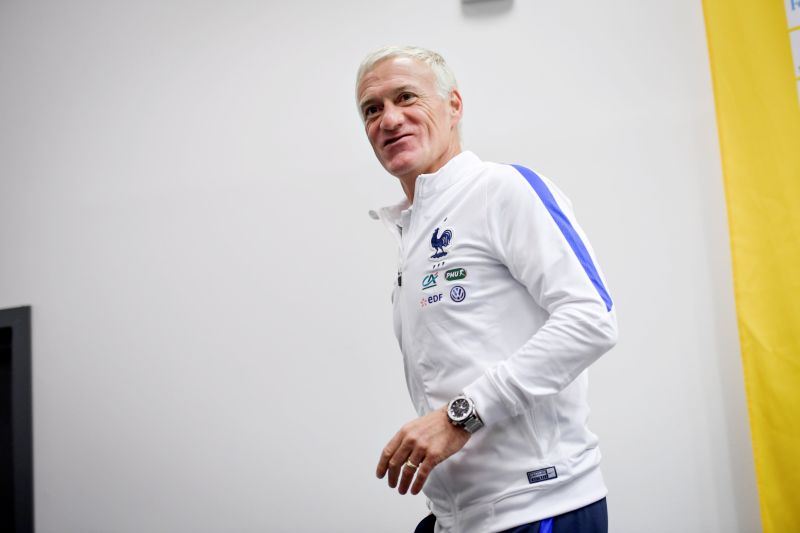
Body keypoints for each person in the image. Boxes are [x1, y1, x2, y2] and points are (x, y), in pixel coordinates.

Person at [356, 45, 617, 533]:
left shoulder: (503, 190)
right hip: (463, 516)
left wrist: (460, 417)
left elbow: (591, 319)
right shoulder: (412, 231)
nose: (388, 119)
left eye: (405, 97)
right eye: (372, 109)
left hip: (542, 505)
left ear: (453, 106)